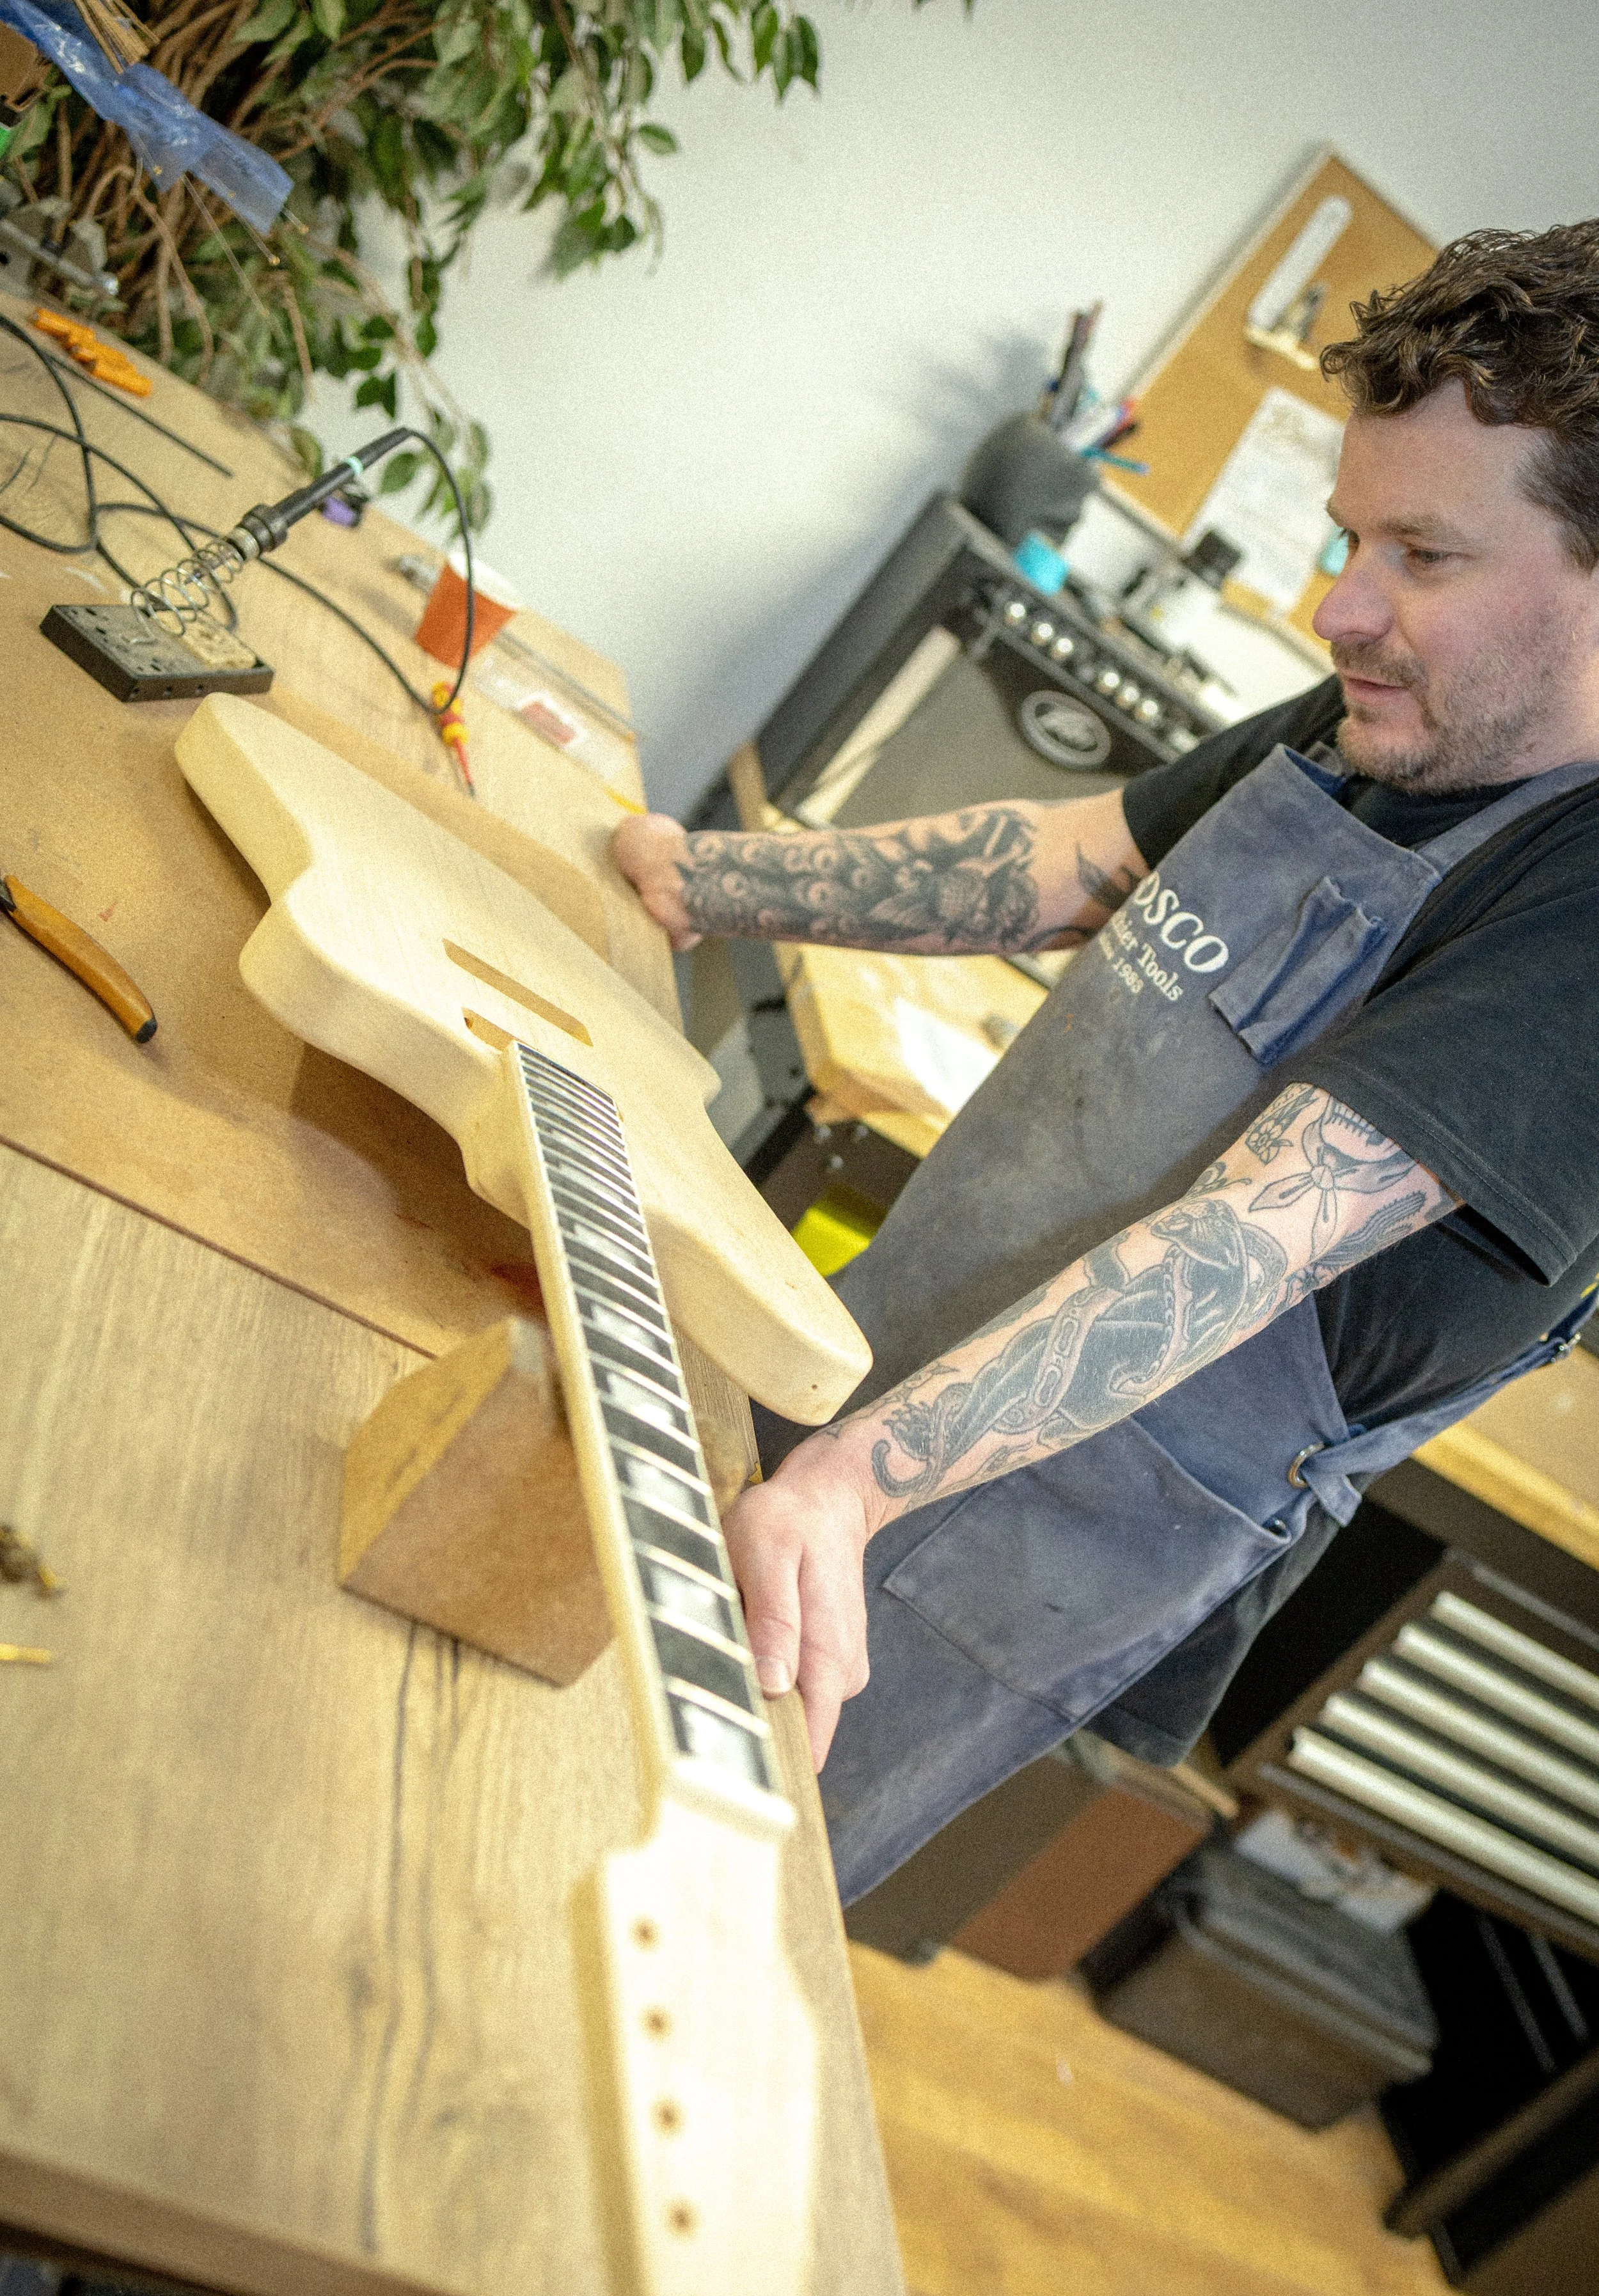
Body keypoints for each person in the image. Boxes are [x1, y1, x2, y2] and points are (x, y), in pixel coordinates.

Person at [613, 221, 1599, 1905]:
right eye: (1348, 534)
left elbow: (1245, 1241)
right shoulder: (1386, 713)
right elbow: (1067, 859)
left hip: (1020, 1554)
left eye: (1419, 554)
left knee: (672, 1894)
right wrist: (698, 879)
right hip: (883, 1372)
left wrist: (850, 1487)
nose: (1336, 605)